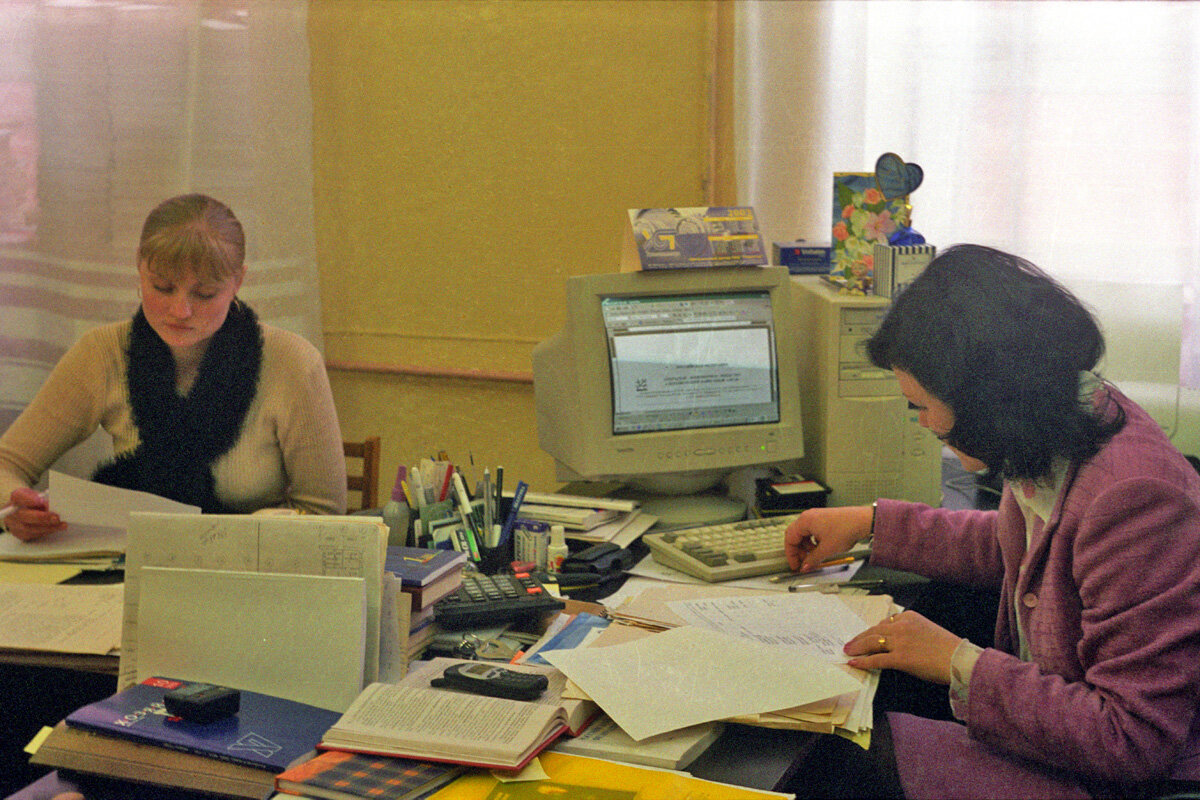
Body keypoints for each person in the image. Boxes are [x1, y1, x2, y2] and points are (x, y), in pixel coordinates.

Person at [784, 245, 1200, 799]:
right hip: (1060, 740)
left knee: (842, 759)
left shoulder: (1134, 496)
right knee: (863, 709)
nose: (922, 421)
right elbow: (1024, 550)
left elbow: (1131, 740)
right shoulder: (1065, 424)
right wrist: (870, 523)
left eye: (923, 406)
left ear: (989, 399)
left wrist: (958, 662)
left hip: (1124, 780)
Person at [0, 193, 347, 541]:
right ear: (139, 266)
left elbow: (324, 515)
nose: (180, 310)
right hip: (123, 562)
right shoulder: (103, 352)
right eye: (162, 287)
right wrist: (14, 509)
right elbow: (7, 464)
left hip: (246, 574)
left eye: (205, 294)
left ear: (238, 282)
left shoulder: (293, 364)